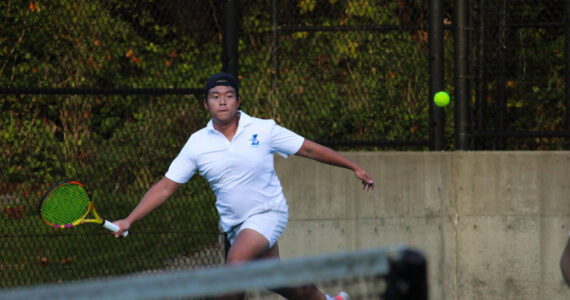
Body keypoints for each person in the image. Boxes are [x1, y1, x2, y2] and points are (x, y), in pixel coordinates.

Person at [112, 73, 375, 300]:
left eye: (229, 95)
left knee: (234, 268)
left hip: (268, 213)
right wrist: (129, 220)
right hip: (235, 225)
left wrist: (353, 166)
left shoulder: (263, 129)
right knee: (275, 280)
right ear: (206, 104)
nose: (223, 100)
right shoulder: (196, 143)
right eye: (215, 96)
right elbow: (166, 187)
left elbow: (307, 148)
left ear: (238, 102)